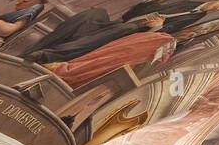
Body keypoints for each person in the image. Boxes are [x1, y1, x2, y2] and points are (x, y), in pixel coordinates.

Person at [43, 13, 176, 90]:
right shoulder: (140, 36)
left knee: (95, 64)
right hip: (118, 54)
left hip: (120, 59)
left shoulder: (155, 41)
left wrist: (157, 29)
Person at [119, 0, 219, 36]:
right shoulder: (188, 2)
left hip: (140, 31)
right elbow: (156, 6)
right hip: (134, 19)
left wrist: (158, 26)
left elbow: (170, 29)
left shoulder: (198, 16)